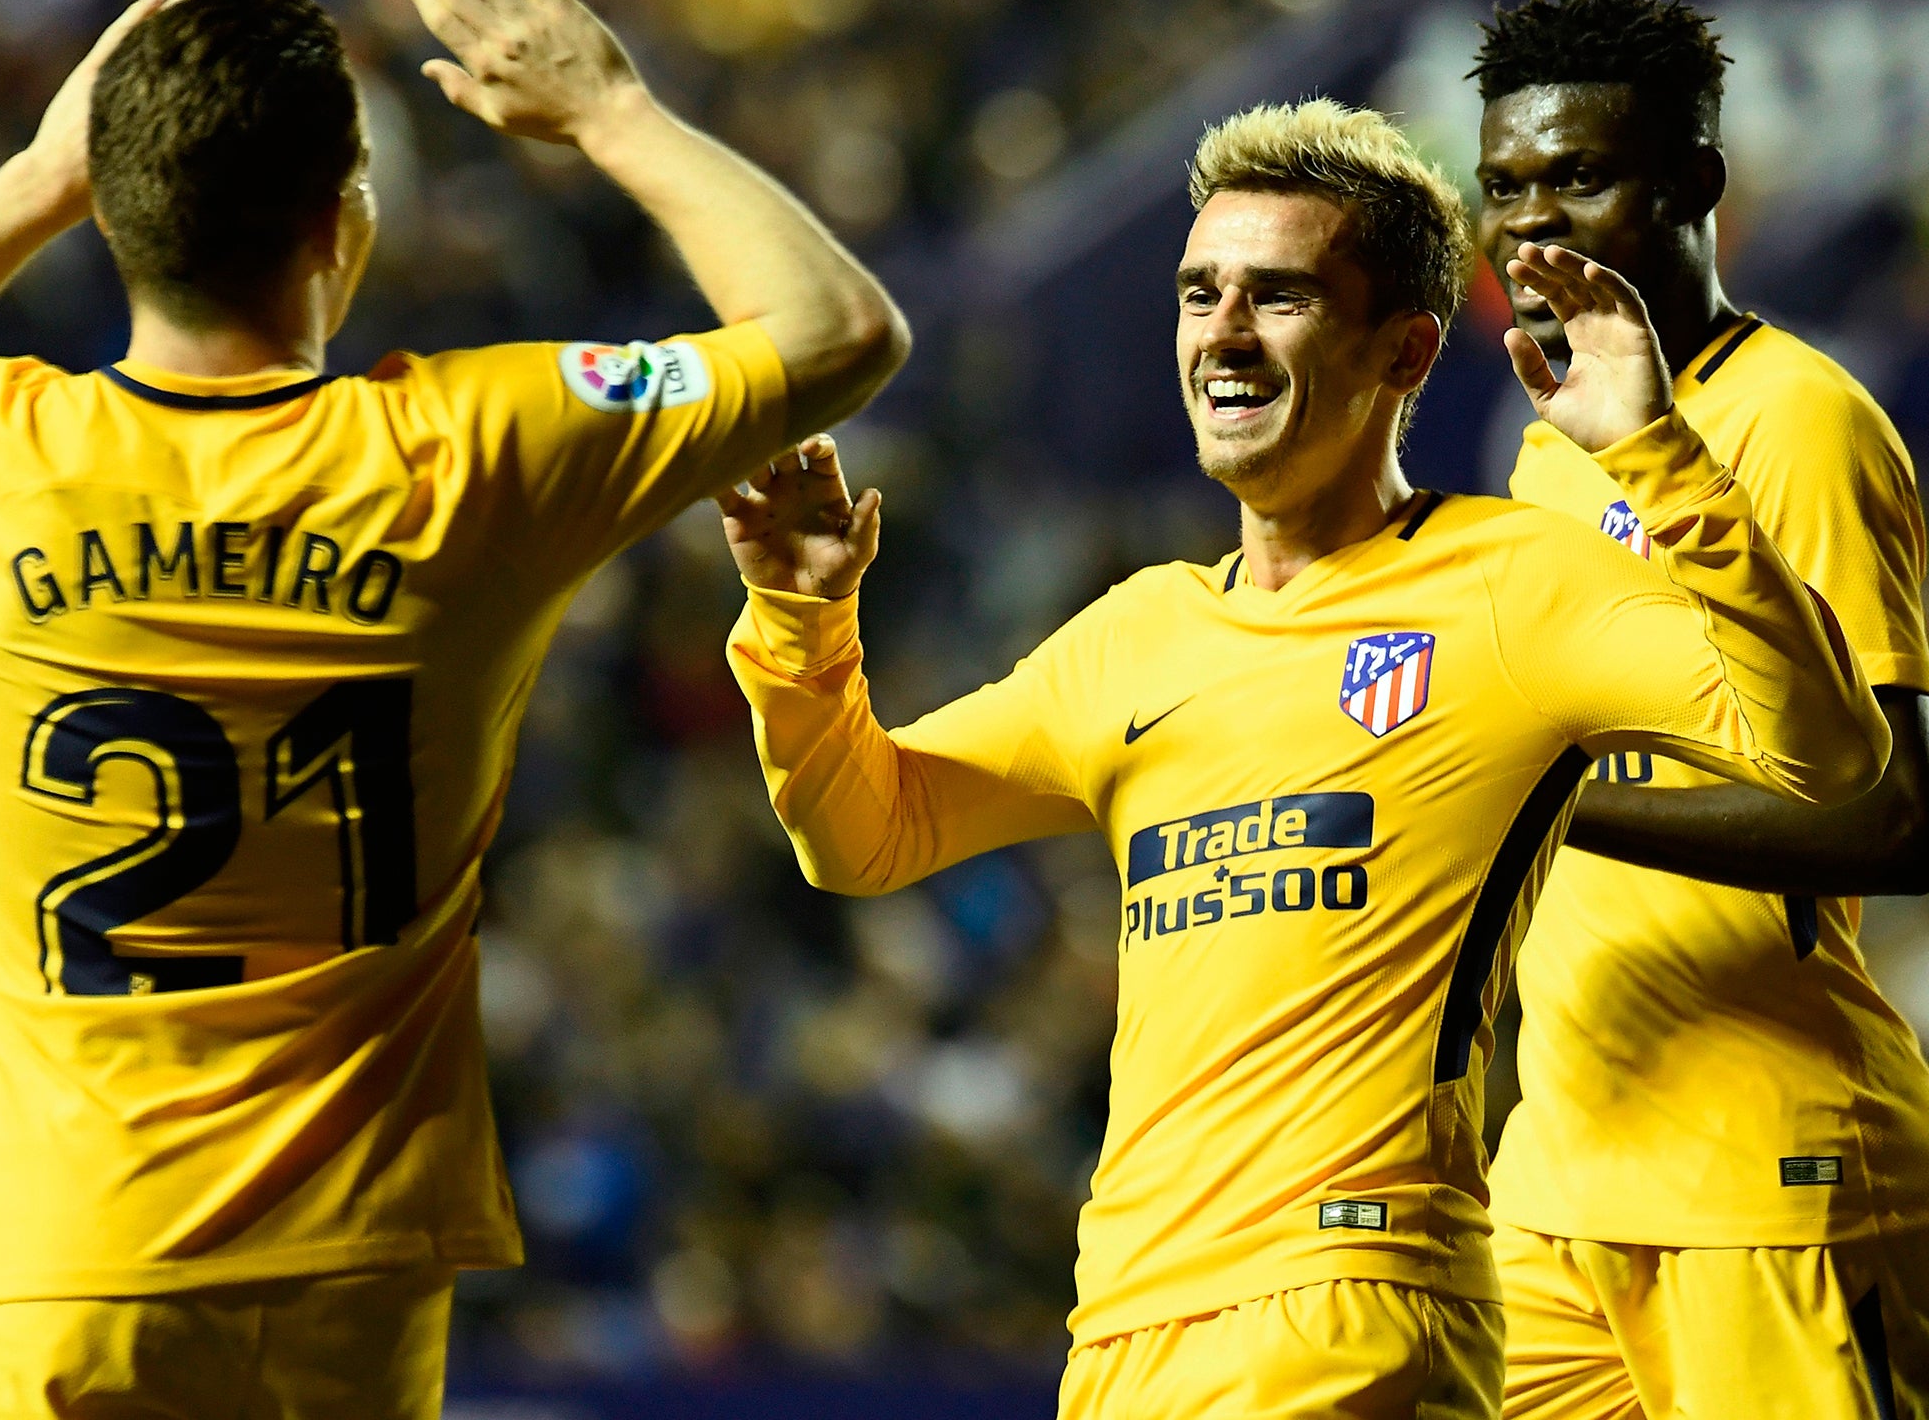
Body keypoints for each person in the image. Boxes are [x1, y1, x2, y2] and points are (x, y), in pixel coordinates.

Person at [715, 97, 1887, 1419]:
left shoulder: (1510, 585)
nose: (1220, 329)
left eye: (1277, 296)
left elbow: (1826, 757)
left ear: (1404, 350)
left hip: (1354, 1298)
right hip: (1126, 1332)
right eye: (1198, 291)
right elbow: (865, 833)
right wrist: (804, 627)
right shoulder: (1140, 634)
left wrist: (1660, 463)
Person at [0, 0, 907, 1418]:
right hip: (341, 1282)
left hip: (64, 1283)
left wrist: (40, 182)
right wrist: (613, 110)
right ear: (344, 222)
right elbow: (838, 329)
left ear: (114, 217)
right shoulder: (471, 449)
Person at [1471, 0, 1929, 1419]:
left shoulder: (1802, 420)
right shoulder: (1553, 440)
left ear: (1696, 182)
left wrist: (1564, 802)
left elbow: (1898, 822)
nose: (1534, 216)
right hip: (1559, 1174)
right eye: (1508, 182)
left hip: (1767, 1172)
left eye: (1582, 176)